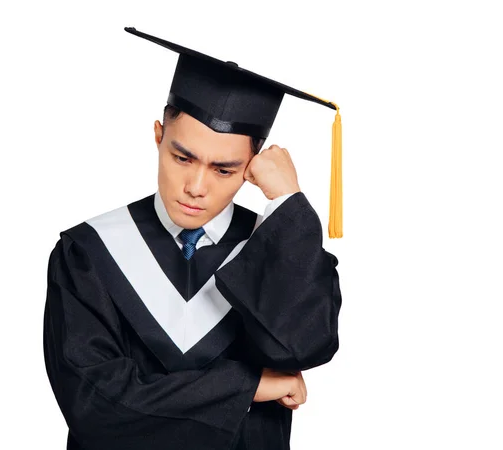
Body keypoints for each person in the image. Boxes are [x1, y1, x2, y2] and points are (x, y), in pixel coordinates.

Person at [43, 26, 343, 450]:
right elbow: (94, 404)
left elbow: (302, 347)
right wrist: (247, 386)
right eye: (182, 157)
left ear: (251, 165)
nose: (196, 186)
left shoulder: (276, 247)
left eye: (224, 169)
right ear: (158, 137)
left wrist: (287, 204)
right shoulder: (88, 254)